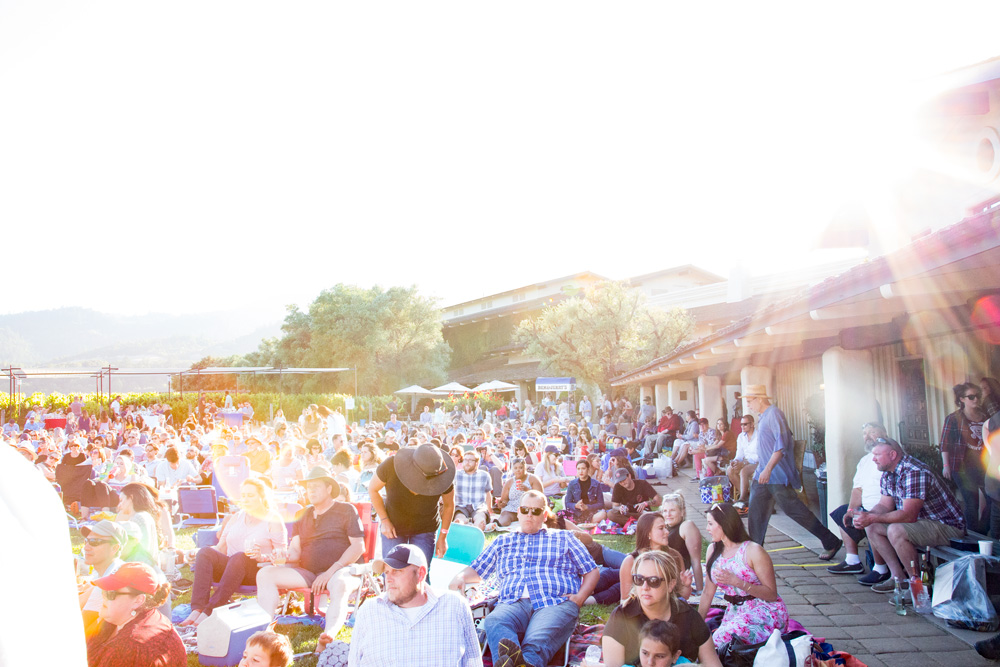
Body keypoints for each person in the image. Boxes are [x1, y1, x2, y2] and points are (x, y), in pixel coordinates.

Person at [449, 490, 599, 667]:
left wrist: (580, 598)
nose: (529, 514)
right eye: (525, 509)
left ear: (544, 515)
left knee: (535, 640)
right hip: (513, 603)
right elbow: (477, 569)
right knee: (495, 620)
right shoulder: (502, 541)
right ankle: (520, 663)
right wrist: (460, 577)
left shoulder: (564, 538)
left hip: (554, 602)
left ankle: (520, 662)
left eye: (536, 511)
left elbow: (591, 570)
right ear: (518, 512)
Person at [256, 467, 366, 640]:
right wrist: (282, 556)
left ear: (329, 488)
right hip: (309, 573)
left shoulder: (346, 510)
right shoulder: (302, 514)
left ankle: (328, 635)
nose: (311, 491)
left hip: (341, 570)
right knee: (265, 574)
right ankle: (264, 631)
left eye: (316, 486)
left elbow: (358, 547)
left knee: (340, 584)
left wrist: (330, 572)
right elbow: (295, 551)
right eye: (308, 487)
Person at [855, 436, 966, 592]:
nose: (873, 459)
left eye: (877, 455)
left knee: (896, 530)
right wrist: (867, 516)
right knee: (872, 526)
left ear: (892, 455)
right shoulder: (889, 472)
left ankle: (918, 588)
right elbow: (884, 505)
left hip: (947, 525)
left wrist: (872, 517)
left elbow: (908, 515)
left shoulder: (914, 471)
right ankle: (898, 578)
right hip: (922, 523)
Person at [743, 384, 842, 559]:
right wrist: (762, 469)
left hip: (776, 475)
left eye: (750, 401)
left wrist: (768, 469)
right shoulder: (763, 416)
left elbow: (781, 446)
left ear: (759, 399)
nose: (748, 405)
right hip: (763, 475)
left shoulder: (774, 414)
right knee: (756, 512)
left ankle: (830, 541)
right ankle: (753, 552)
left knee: (795, 510)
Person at [347, 544, 482, 667]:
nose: (388, 579)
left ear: (421, 573)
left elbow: (473, 661)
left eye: (396, 571)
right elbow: (354, 662)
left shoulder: (454, 606)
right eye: (386, 572)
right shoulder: (370, 611)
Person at [182, 478, 287, 626]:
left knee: (240, 557)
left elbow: (282, 555)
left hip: (257, 571)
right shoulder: (236, 517)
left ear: (262, 497)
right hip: (230, 572)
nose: (246, 499)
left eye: (251, 495)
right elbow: (220, 548)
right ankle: (197, 609)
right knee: (205, 552)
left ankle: (209, 612)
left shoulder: (273, 519)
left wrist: (261, 556)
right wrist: (196, 552)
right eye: (243, 496)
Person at [603, 551, 719, 667]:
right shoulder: (621, 617)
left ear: (671, 584)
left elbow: (712, 663)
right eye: (639, 579)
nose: (645, 587)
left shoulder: (689, 617)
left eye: (654, 581)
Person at [699, 503, 788, 649]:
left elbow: (772, 595)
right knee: (713, 644)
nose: (707, 528)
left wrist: (737, 582)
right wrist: (698, 624)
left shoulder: (753, 551)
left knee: (719, 640)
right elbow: (708, 592)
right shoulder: (712, 550)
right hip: (735, 611)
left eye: (710, 523)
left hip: (764, 610)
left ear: (724, 524)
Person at [369, 443, 456, 568]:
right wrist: (384, 520)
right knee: (392, 570)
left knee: (420, 571)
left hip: (425, 528)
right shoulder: (390, 465)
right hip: (393, 526)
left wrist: (443, 536)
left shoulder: (443, 474)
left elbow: (449, 505)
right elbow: (373, 489)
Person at [86, 562, 186, 667]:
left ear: (138, 600)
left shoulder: (131, 648)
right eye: (104, 590)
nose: (103, 596)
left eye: (110, 593)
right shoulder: (119, 620)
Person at [824, 423, 888, 576]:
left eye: (872, 432)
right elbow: (857, 489)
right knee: (842, 513)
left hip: (884, 508)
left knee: (870, 520)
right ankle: (852, 561)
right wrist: (851, 510)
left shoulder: (888, 456)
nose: (867, 436)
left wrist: (871, 512)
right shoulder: (865, 460)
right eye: (865, 433)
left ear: (884, 434)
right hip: (866, 507)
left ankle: (881, 569)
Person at [941, 382, 990, 534]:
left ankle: (981, 532)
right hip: (962, 467)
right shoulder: (953, 418)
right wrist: (946, 465)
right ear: (962, 399)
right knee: (971, 502)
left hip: (984, 466)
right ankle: (972, 536)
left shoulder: (986, 417)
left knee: (993, 500)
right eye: (971, 397)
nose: (976, 399)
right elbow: (945, 444)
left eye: (978, 396)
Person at [616, 512, 694, 603]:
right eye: (661, 528)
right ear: (648, 533)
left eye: (666, 527)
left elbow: (684, 596)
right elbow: (625, 601)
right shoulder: (630, 561)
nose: (667, 532)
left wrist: (686, 585)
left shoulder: (674, 556)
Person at [78, 521, 128, 638]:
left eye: (95, 542)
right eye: (86, 541)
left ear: (114, 548)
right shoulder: (105, 568)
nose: (86, 547)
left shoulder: (109, 580)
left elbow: (80, 625)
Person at [661, 494, 705, 592]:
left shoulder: (687, 526)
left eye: (672, 510)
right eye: (665, 511)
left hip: (676, 579)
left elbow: (695, 561)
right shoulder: (664, 527)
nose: (668, 514)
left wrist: (700, 591)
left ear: (682, 512)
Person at [453, 449, 493, 531]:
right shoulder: (456, 474)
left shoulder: (484, 475)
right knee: (459, 517)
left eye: (470, 460)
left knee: (480, 518)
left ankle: (476, 529)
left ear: (477, 463)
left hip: (478, 506)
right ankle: (461, 523)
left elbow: (488, 494)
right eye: (465, 460)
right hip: (461, 505)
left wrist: (490, 510)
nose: (467, 462)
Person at [497, 457, 544, 526]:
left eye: (521, 468)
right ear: (512, 469)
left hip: (529, 509)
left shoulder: (533, 479)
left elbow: (541, 497)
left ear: (525, 468)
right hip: (512, 509)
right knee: (503, 522)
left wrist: (527, 490)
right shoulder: (509, 482)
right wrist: (501, 503)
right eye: (515, 468)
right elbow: (505, 499)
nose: (518, 470)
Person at [727, 414, 757, 511]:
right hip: (746, 462)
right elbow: (739, 453)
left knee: (744, 471)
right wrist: (735, 461)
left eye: (745, 424)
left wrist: (744, 463)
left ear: (752, 424)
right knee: (730, 470)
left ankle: (742, 498)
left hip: (758, 462)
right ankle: (747, 496)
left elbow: (760, 455)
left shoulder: (759, 436)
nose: (742, 427)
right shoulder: (741, 437)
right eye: (741, 424)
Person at [564, 458, 607, 524]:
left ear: (588, 469)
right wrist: (576, 505)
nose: (580, 471)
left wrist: (587, 507)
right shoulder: (572, 483)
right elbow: (567, 503)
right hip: (576, 512)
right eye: (578, 469)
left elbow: (601, 504)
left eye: (583, 468)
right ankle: (582, 524)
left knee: (603, 514)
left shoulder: (596, 484)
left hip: (591, 512)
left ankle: (583, 524)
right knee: (559, 514)